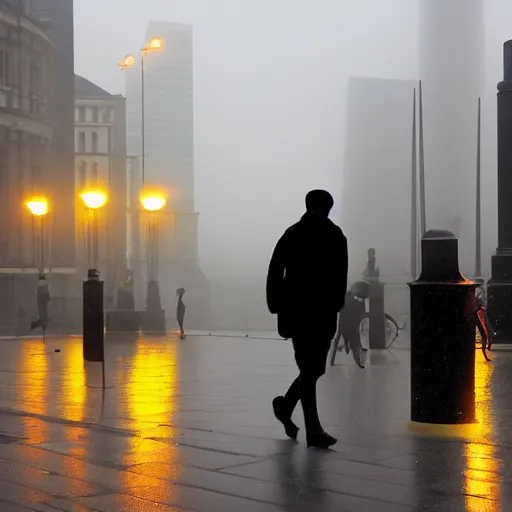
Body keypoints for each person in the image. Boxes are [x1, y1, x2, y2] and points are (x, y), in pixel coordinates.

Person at [266, 190, 348, 449]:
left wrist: (276, 303)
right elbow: (339, 277)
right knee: (311, 369)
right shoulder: (332, 236)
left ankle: (286, 406)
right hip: (311, 312)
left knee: (312, 368)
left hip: (306, 311)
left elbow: (275, 271)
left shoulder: (295, 234)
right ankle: (313, 430)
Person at [331, 280, 371, 369]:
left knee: (352, 341)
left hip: (350, 325)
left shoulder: (352, 298)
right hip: (347, 325)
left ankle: (352, 355)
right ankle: (357, 359)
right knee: (353, 342)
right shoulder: (350, 300)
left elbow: (361, 314)